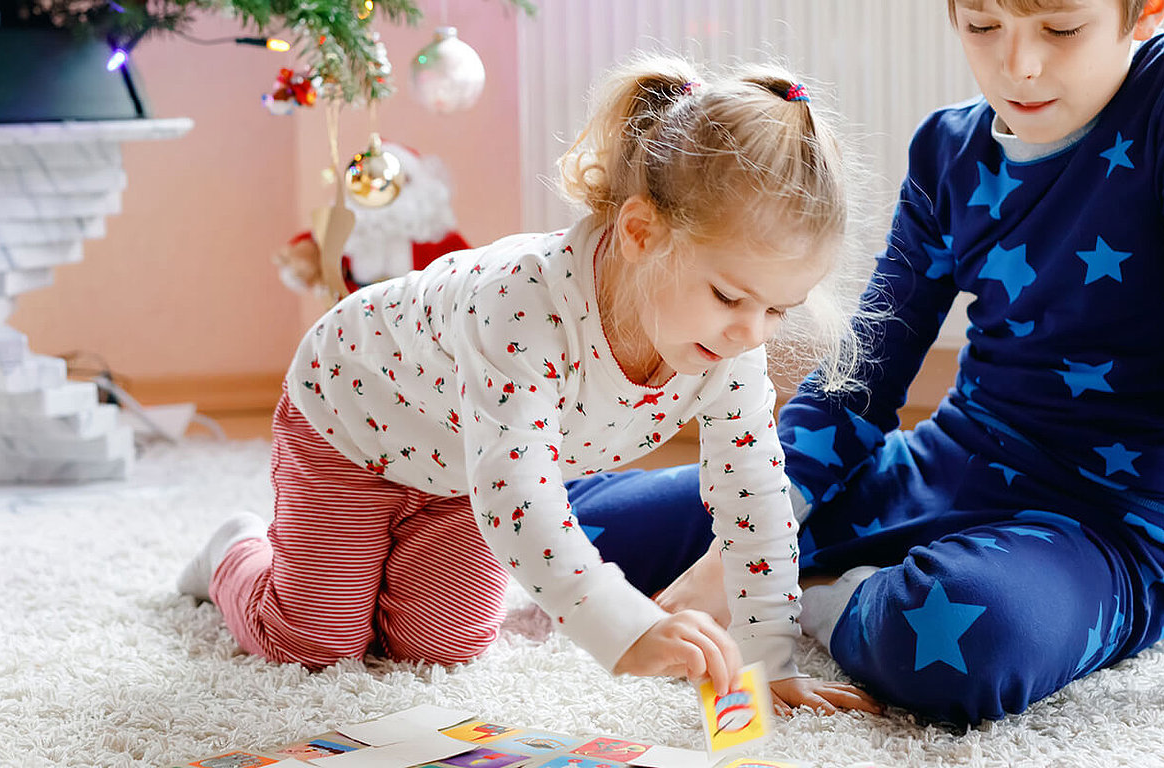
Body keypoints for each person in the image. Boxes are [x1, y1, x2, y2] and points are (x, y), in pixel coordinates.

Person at [565, 0, 1164, 724]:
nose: (1019, 65)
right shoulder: (948, 152)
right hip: (945, 469)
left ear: (1144, 9)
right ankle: (815, 562)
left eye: (1061, 27)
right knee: (588, 531)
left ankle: (821, 595)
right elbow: (865, 374)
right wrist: (740, 549)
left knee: (950, 636)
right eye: (981, 23)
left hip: (1110, 530)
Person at [178, 55, 878, 712]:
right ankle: (234, 551)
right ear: (640, 234)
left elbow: (752, 489)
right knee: (314, 645)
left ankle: (374, 562)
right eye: (729, 297)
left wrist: (770, 658)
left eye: (777, 309)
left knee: (443, 648)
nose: (752, 332)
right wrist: (622, 625)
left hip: (462, 475)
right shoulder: (524, 303)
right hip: (351, 422)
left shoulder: (731, 347)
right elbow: (518, 491)